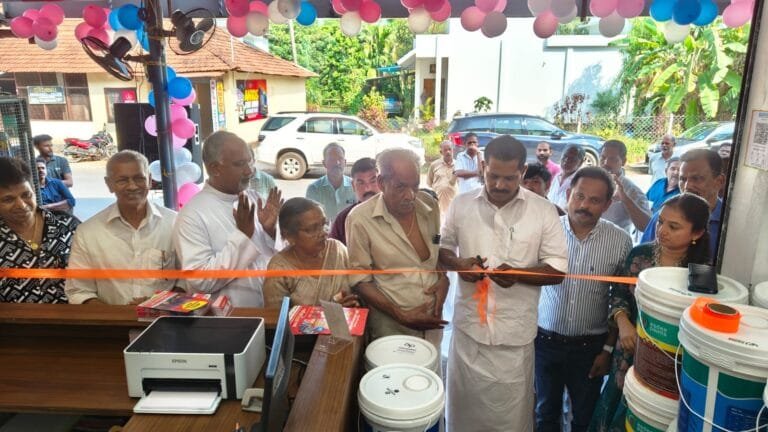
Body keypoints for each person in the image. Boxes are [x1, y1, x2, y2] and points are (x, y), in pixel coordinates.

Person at [439, 135, 568, 432]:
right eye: (493, 175)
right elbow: (443, 249)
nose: (499, 184)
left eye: (509, 178)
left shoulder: (543, 211)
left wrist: (520, 274)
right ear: (483, 167)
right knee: (462, 420)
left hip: (513, 342)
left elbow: (558, 270)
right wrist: (459, 264)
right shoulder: (461, 205)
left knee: (509, 422)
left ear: (523, 171)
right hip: (468, 335)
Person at [589, 193, 711, 432]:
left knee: (652, 414)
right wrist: (623, 323)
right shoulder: (640, 255)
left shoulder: (701, 272)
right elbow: (619, 294)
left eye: (673, 226)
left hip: (669, 358)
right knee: (616, 405)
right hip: (629, 347)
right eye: (660, 222)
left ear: (696, 233)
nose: (662, 231)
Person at [535, 167, 633, 432]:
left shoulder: (620, 242)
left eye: (594, 200)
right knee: (545, 414)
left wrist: (607, 350)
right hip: (544, 343)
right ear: (568, 194)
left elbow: (620, 299)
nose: (584, 205)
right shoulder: (545, 232)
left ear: (608, 204)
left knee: (585, 418)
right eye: (579, 196)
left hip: (590, 350)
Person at [346, 148, 448, 348]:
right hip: (392, 331)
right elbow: (360, 280)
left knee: (431, 368)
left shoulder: (429, 205)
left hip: (433, 326)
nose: (410, 195)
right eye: (400, 186)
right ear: (381, 183)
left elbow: (434, 252)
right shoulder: (360, 219)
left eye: (415, 185)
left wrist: (443, 278)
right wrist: (401, 315)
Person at [173, 131, 282, 307]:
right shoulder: (192, 215)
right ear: (214, 168)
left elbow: (273, 260)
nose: (249, 171)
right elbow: (200, 281)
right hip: (230, 318)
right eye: (239, 164)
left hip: (269, 311)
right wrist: (243, 237)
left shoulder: (253, 197)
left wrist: (271, 232)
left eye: (249, 162)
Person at [65, 151, 177, 305]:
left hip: (167, 317)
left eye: (139, 178)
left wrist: (162, 304)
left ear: (150, 180)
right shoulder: (88, 232)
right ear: (109, 184)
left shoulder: (175, 224)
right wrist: (116, 314)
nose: (132, 186)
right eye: (122, 180)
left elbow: (188, 281)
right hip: (111, 319)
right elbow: (79, 291)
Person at [0, 157, 78, 303]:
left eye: (26, 195)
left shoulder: (68, 226)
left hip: (75, 314)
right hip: (15, 318)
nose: (22, 205)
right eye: (8, 199)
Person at [263, 198, 358, 308]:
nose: (323, 233)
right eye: (312, 229)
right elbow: (276, 316)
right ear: (289, 236)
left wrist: (353, 302)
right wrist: (329, 312)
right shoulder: (279, 269)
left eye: (324, 224)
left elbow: (359, 286)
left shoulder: (337, 249)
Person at [641, 149, 724, 260]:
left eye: (696, 179)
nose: (687, 186)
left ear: (719, 181)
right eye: (682, 179)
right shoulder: (663, 217)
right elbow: (642, 258)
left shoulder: (730, 224)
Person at [599, 140, 651, 233]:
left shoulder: (631, 190)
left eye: (612, 159)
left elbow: (647, 226)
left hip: (614, 240)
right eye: (603, 158)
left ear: (623, 161)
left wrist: (625, 199)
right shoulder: (590, 181)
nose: (605, 163)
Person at [329, 157, 379, 245]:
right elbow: (333, 250)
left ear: (382, 182)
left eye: (373, 181)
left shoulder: (397, 213)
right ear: (353, 185)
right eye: (361, 183)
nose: (367, 188)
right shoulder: (343, 219)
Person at [306, 143, 355, 223]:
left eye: (340, 159)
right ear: (324, 163)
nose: (337, 163)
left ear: (345, 162)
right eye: (332, 159)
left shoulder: (355, 186)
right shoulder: (314, 189)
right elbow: (310, 220)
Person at [427, 140, 458, 216]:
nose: (448, 152)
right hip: (438, 203)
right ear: (441, 152)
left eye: (450, 149)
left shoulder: (458, 164)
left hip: (453, 203)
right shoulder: (434, 165)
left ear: (453, 150)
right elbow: (429, 183)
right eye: (445, 150)